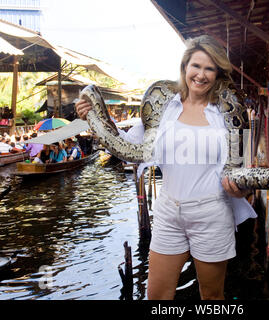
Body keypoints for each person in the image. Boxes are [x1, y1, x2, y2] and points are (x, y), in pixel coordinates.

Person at [75, 35, 257, 300]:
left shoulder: (227, 114)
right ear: (185, 67)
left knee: (211, 297)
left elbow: (237, 168)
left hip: (212, 213)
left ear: (218, 73)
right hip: (168, 212)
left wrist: (240, 190)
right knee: (157, 296)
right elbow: (133, 148)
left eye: (209, 68)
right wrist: (95, 118)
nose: (201, 75)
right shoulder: (165, 108)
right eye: (196, 66)